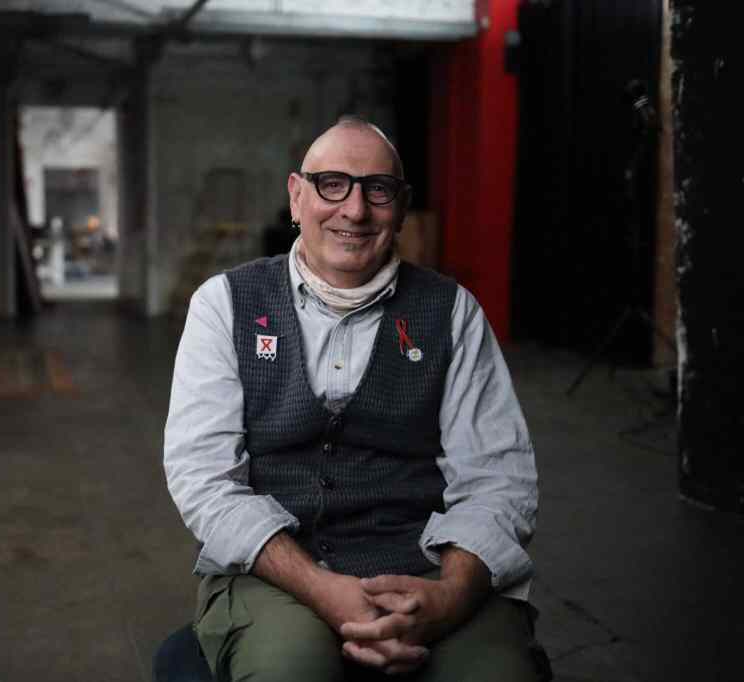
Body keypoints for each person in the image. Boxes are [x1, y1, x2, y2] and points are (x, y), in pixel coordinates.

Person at [163, 116, 548, 681]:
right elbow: (203, 478)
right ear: (296, 197)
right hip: (277, 571)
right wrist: (320, 587)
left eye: (379, 190)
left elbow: (498, 478)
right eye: (332, 185)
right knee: (290, 670)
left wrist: (449, 597)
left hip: (424, 568)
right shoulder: (224, 304)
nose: (355, 210)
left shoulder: (452, 312)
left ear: (401, 206)